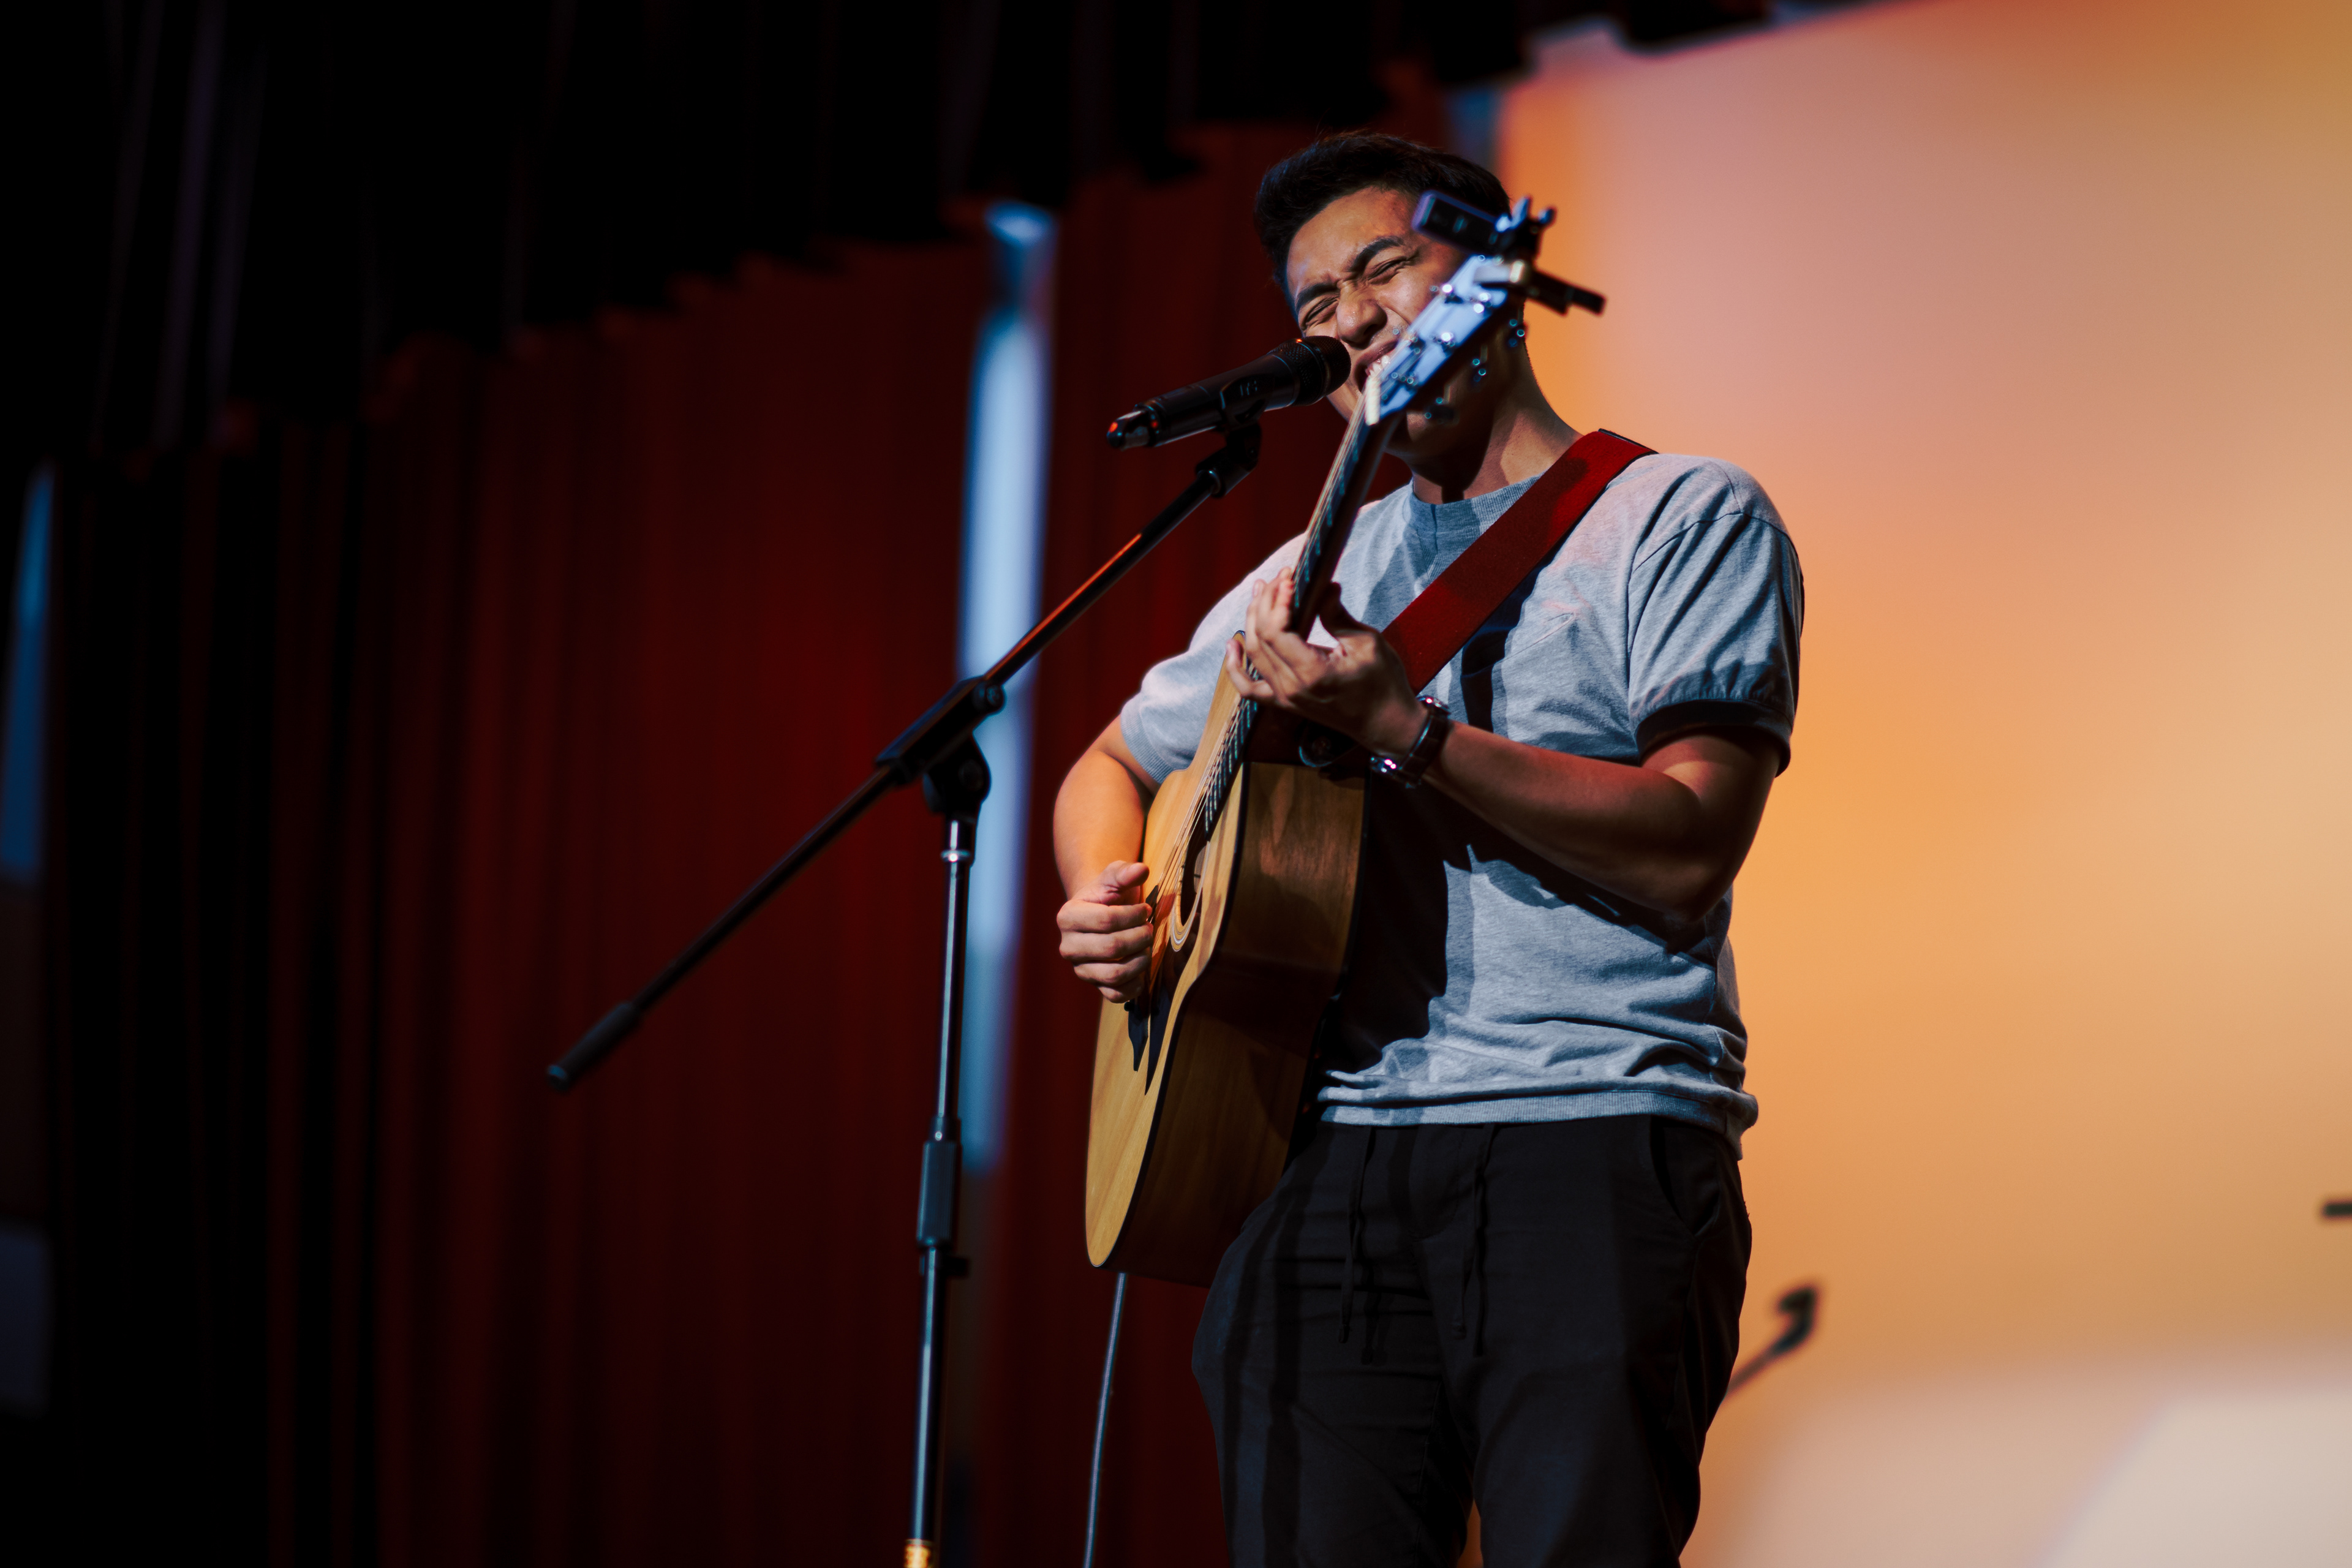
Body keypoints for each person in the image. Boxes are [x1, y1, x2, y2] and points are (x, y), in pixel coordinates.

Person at [1050, 133, 1803, 1568]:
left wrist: (1410, 731)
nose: (1350, 318)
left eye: (1383, 268)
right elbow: (1111, 761)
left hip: (1592, 1131)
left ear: (1497, 282)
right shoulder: (1303, 578)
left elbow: (1692, 842)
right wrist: (1110, 890)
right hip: (1329, 1155)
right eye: (1315, 305)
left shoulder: (1681, 515)